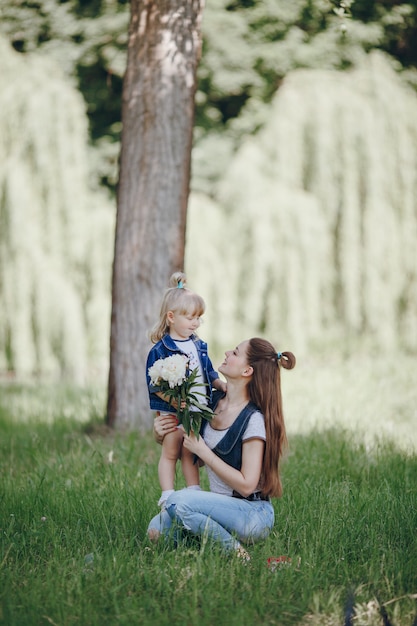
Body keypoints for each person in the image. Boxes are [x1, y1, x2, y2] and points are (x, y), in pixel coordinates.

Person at [147, 337, 296, 561]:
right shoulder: (213, 403)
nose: (227, 353)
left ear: (247, 370)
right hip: (219, 510)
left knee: (177, 502)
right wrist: (160, 434)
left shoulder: (253, 419)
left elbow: (247, 485)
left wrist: (204, 452)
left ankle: (238, 555)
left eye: (235, 353)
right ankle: (209, 536)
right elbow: (186, 448)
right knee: (156, 531)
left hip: (252, 515)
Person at [146, 272, 227, 510]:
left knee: (190, 450)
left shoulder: (198, 345)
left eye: (198, 318)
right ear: (171, 317)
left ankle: (194, 490)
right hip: (172, 411)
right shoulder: (161, 350)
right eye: (190, 318)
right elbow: (154, 384)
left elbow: (208, 370)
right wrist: (173, 401)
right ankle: (167, 493)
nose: (195, 323)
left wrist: (218, 383)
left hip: (196, 408)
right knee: (171, 451)